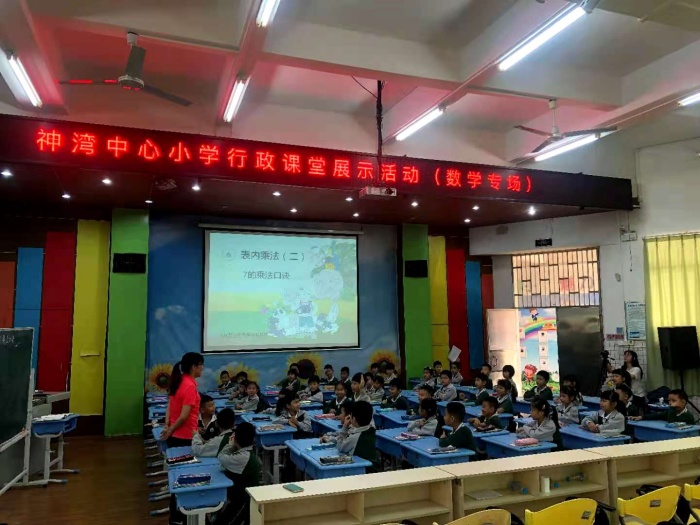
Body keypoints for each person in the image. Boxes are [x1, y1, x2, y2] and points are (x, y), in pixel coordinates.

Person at [162, 352, 204, 525]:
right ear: (194, 367)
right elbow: (185, 415)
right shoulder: (189, 386)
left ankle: (176, 517)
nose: (203, 368)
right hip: (185, 438)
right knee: (184, 479)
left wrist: (167, 426)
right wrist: (170, 429)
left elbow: (170, 407)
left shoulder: (179, 381)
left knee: (178, 478)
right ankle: (181, 517)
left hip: (175, 437)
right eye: (201, 365)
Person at [218, 422, 262, 525]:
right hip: (242, 498)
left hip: (245, 501)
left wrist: (230, 445)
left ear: (236, 439)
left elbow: (221, 456)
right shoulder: (246, 453)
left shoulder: (242, 457)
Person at [336, 400, 380, 472]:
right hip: (375, 467)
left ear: (353, 419)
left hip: (364, 470)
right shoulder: (371, 429)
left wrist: (345, 427)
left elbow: (340, 447)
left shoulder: (354, 438)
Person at [630, 389, 695, 425]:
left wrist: (672, 408)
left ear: (683, 402)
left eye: (674, 401)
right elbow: (657, 416)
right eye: (669, 400)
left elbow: (672, 423)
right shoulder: (670, 411)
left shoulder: (688, 416)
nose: (670, 403)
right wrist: (642, 417)